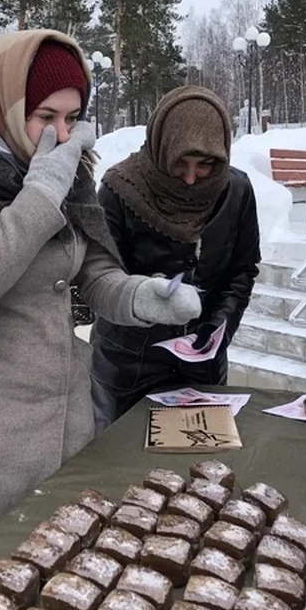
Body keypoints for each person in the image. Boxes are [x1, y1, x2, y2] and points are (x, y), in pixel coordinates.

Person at [0, 31, 201, 551]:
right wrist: (41, 191)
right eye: (45, 117)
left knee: (66, 569)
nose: (63, 135)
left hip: (68, 411)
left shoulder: (68, 166)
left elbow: (93, 273)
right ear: (6, 101)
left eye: (72, 118)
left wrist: (139, 297)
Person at [91, 86, 260, 429]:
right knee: (121, 471)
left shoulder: (236, 191)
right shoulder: (118, 190)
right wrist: (146, 296)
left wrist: (219, 327)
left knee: (200, 474)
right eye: (179, 163)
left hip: (202, 369)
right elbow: (102, 277)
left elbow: (242, 270)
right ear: (160, 148)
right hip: (127, 366)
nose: (191, 177)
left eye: (206, 165)